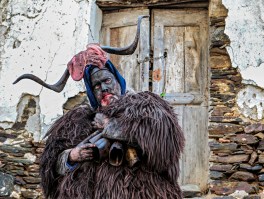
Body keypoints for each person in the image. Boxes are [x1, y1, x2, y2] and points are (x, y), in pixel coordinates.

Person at [14, 16, 185, 199]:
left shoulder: (146, 107)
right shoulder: (76, 121)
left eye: (107, 81)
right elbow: (52, 165)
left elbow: (164, 144)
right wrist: (72, 156)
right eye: (96, 86)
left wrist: (111, 127)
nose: (103, 88)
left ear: (118, 81)